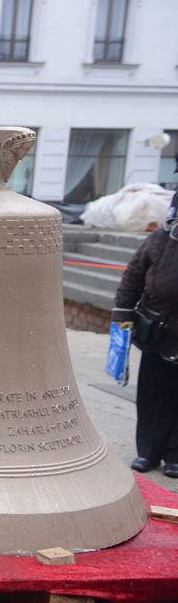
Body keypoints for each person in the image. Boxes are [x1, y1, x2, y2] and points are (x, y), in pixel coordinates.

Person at [113, 191, 178, 477]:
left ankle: (175, 455)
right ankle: (148, 452)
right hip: (159, 331)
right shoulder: (159, 239)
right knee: (152, 394)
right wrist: (122, 314)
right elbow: (133, 277)